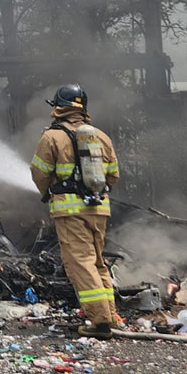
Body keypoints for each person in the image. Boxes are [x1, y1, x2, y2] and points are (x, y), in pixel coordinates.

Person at [30, 84, 120, 339]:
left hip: (70, 212)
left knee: (80, 264)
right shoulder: (101, 136)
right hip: (99, 209)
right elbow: (113, 175)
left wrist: (48, 193)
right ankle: (109, 316)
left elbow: (39, 172)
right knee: (98, 262)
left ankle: (100, 322)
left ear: (58, 106)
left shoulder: (51, 137)